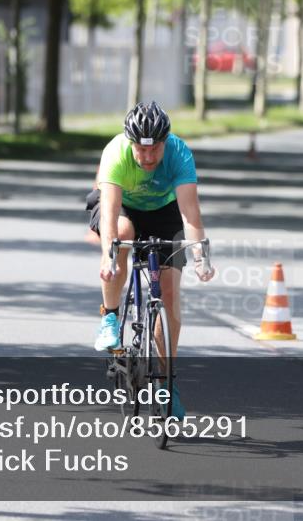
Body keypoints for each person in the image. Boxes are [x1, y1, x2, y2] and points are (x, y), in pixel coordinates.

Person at [85, 101, 215, 417]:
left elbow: (190, 211)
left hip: (164, 212)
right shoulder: (115, 153)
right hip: (123, 211)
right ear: (130, 143)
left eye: (154, 149)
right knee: (123, 233)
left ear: (165, 142)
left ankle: (167, 384)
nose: (147, 157)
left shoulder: (179, 153)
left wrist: (200, 256)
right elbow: (111, 213)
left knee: (169, 295)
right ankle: (111, 318)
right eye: (140, 151)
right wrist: (108, 257)